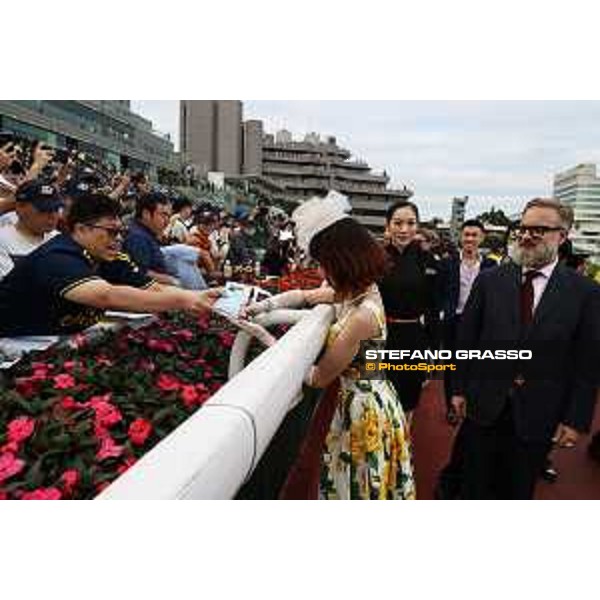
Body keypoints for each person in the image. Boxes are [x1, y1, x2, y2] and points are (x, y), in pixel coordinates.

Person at [246, 191, 415, 500]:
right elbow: (307, 295)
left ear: (342, 261)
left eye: (324, 263)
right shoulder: (359, 290)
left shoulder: (362, 316)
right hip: (365, 401)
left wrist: (263, 336)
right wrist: (266, 304)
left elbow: (316, 377)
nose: (321, 272)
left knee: (354, 486)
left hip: (364, 411)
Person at [451, 198, 600, 499]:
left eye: (540, 229)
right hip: (483, 405)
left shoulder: (585, 293)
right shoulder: (489, 281)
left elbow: (587, 361)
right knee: (472, 486)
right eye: (524, 227)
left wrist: (575, 419)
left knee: (517, 490)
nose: (527, 235)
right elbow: (466, 340)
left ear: (563, 235)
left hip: (539, 412)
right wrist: (457, 389)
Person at [0, 193, 220, 337]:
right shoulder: (58, 257)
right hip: (14, 342)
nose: (118, 240)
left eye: (120, 233)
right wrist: (184, 300)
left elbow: (154, 288)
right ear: (80, 229)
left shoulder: (110, 255)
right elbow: (107, 296)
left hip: (57, 339)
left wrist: (204, 296)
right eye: (111, 232)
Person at [434, 219, 497, 499]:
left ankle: (467, 399)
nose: (470, 239)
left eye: (475, 235)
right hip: (453, 320)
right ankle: (451, 403)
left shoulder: (492, 267)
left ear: (482, 238)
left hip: (480, 324)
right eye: (467, 234)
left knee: (472, 364)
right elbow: (438, 292)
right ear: (461, 237)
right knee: (451, 366)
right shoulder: (448, 263)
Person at [378, 200, 442, 419]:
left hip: (414, 338)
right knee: (378, 397)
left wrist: (433, 349)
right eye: (397, 223)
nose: (404, 229)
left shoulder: (428, 259)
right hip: (380, 337)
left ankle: (403, 448)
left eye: (410, 223)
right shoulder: (375, 259)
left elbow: (434, 308)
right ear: (388, 225)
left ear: (417, 226)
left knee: (408, 398)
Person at [123, 192, 207, 290]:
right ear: (146, 214)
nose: (167, 221)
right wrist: (174, 282)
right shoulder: (138, 238)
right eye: (163, 215)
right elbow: (140, 272)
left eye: (168, 216)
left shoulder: (148, 233)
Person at [0, 179, 62, 279]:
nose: (53, 216)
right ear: (20, 207)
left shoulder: (60, 239)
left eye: (56, 209)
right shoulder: (2, 240)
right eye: (44, 209)